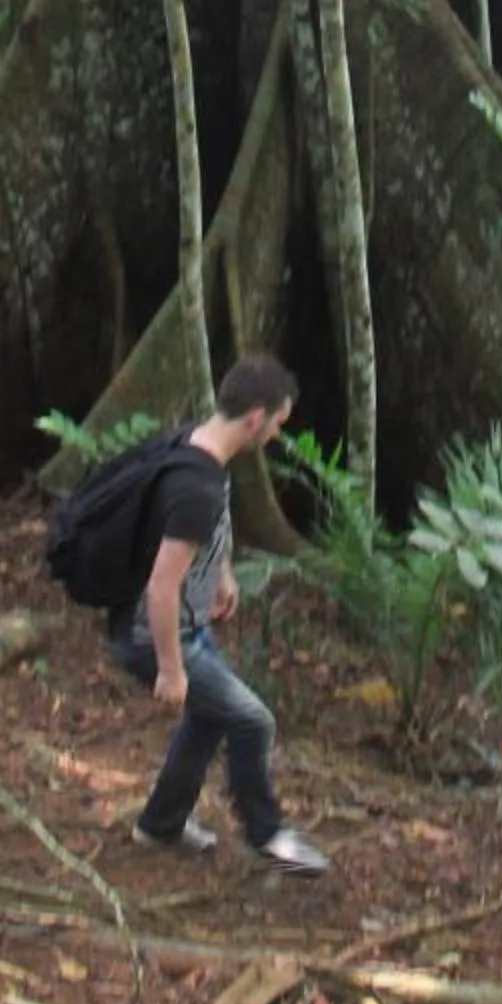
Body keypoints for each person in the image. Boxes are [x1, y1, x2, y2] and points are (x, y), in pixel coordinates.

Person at [109, 352, 330, 874]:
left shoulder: (197, 448)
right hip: (158, 632)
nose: (277, 434)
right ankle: (268, 834)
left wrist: (222, 572)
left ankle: (160, 824)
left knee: (210, 718)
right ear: (255, 418)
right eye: (278, 423)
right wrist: (169, 667)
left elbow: (202, 533)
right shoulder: (197, 486)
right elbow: (162, 586)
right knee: (253, 721)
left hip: (184, 623)